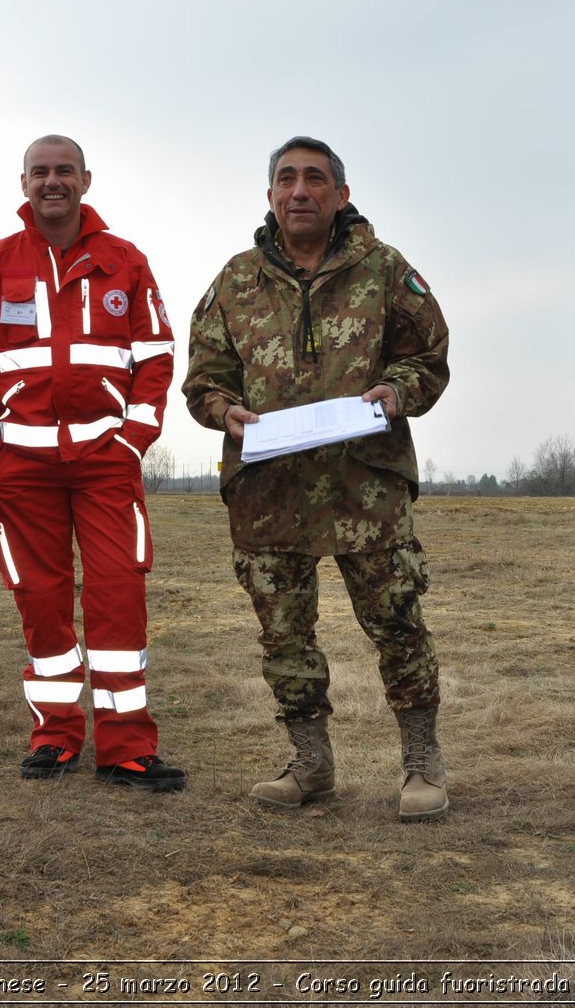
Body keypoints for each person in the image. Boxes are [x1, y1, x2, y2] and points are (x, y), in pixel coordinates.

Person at [182, 136, 451, 822]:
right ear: (270, 194)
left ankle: (421, 759)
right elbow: (203, 379)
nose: (299, 190)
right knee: (285, 635)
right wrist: (225, 411)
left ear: (341, 194)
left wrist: (395, 391)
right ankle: (310, 762)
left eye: (314, 179)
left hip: (368, 487)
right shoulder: (235, 281)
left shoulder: (386, 270)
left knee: (397, 624)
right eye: (286, 179)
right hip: (269, 492)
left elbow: (429, 355)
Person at [0, 135, 184, 791]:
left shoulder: (125, 261)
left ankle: (126, 746)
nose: (53, 181)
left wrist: (133, 438)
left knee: (118, 595)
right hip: (21, 467)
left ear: (85, 179)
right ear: (23, 181)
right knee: (42, 602)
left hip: (106, 461)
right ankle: (55, 733)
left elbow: (157, 352)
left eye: (65, 171)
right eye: (41, 172)